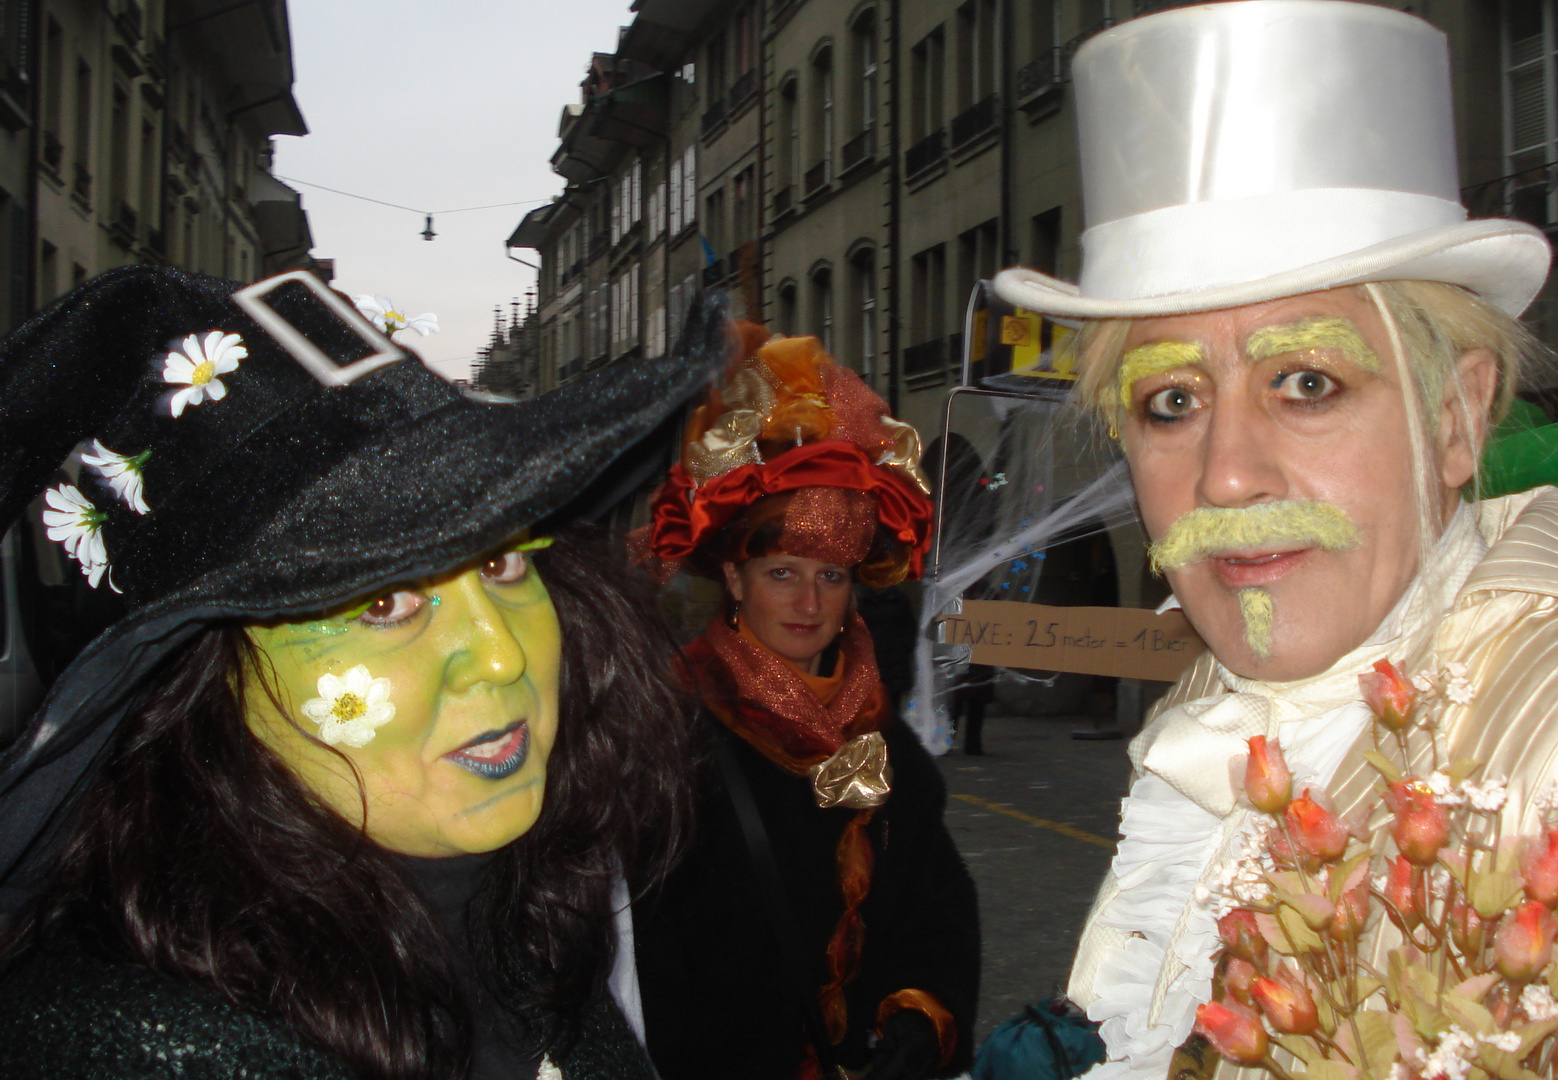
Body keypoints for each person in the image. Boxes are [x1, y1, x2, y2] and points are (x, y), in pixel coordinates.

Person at [989, 3, 1557, 1079]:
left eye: (1306, 383)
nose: (1225, 475)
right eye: (1169, 402)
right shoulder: (1215, 705)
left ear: (1453, 419)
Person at [0, 265, 723, 1079]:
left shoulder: (533, 935)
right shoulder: (131, 1049)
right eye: (384, 605)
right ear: (205, 685)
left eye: (506, 568)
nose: (503, 655)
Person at [632, 329, 980, 1079]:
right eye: (782, 571)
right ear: (734, 580)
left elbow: (936, 907)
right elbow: (641, 950)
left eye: (829, 576)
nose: (806, 601)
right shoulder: (668, 733)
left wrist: (919, 1023)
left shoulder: (888, 744)